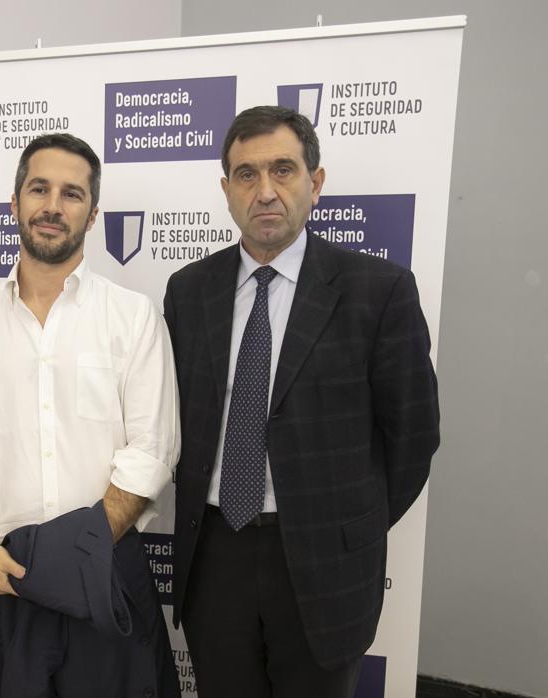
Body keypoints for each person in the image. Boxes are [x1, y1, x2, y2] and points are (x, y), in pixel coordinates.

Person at [163, 106, 441, 698]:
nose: (265, 191)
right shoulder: (188, 291)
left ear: (315, 184)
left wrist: (342, 525)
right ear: (226, 191)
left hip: (324, 566)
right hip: (214, 556)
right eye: (246, 175)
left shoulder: (378, 291)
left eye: (283, 171)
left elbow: (414, 436)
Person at [0, 133, 181, 698]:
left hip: (106, 573)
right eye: (39, 188)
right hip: (0, 577)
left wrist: (78, 553)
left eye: (72, 194)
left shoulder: (132, 317)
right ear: (14, 202)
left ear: (92, 215)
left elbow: (151, 452)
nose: (53, 206)